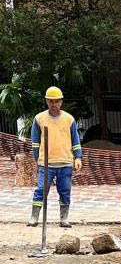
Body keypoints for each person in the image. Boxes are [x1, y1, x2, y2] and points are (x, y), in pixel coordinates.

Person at [27, 86, 83, 228]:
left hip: (65, 162)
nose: (54, 105)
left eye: (57, 101)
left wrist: (78, 157)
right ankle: (34, 217)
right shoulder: (39, 119)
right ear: (46, 101)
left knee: (65, 191)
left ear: (61, 102)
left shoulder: (69, 119)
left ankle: (63, 219)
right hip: (46, 163)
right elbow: (35, 142)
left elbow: (75, 141)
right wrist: (37, 160)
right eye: (51, 101)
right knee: (41, 190)